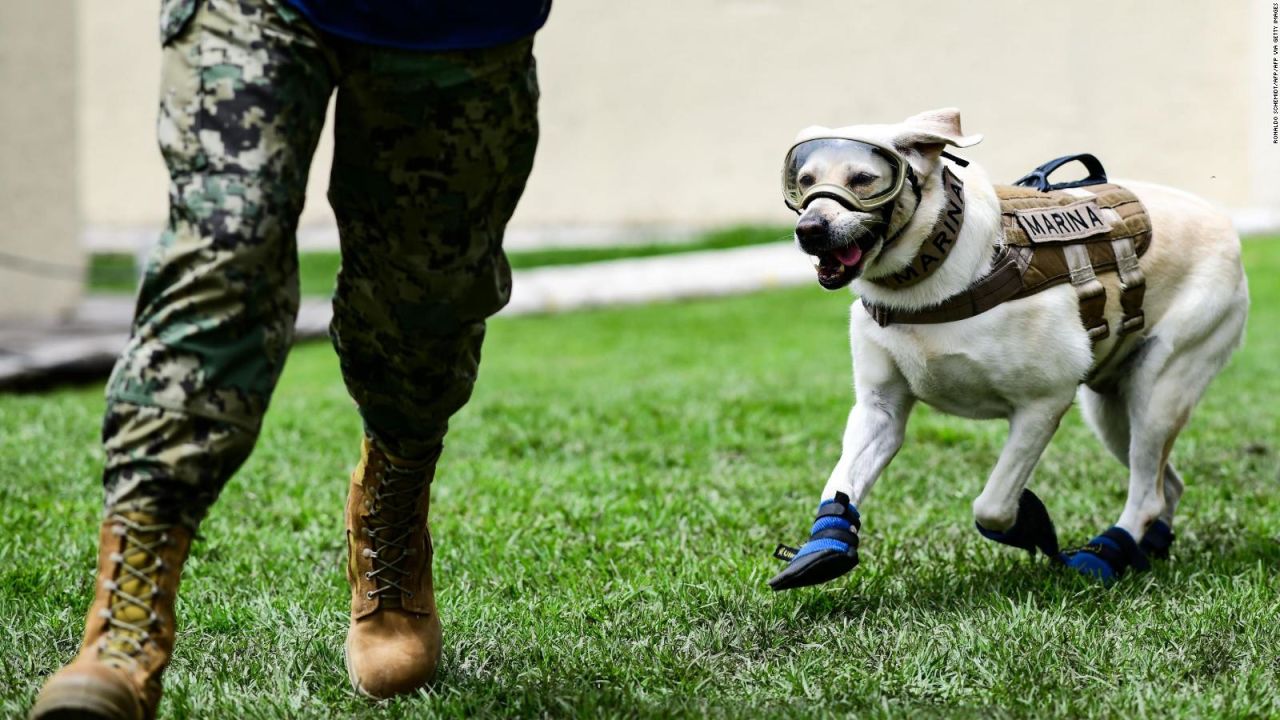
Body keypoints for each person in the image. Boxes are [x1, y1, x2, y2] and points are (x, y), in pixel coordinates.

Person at [30, 0, 549, 716]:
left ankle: (391, 500)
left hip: (455, 20)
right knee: (225, 250)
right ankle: (124, 629)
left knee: (427, 301)